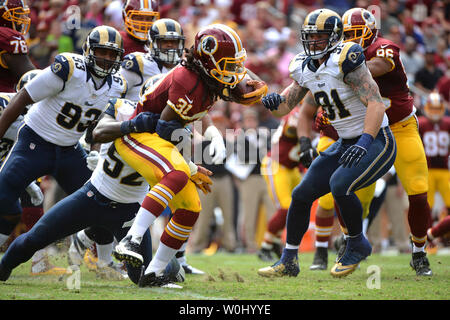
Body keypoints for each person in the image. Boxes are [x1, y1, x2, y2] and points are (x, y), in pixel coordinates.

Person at [91, 23, 267, 287]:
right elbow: (165, 129)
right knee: (177, 173)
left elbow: (211, 98)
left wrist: (218, 128)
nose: (233, 71)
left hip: (163, 139)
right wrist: (190, 165)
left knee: (190, 208)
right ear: (209, 60)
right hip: (141, 136)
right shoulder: (188, 80)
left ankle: (154, 273)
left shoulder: (206, 76)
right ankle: (132, 239)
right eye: (228, 65)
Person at [257, 8, 396, 278]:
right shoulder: (304, 66)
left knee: (339, 184)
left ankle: (357, 243)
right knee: (300, 194)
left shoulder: (347, 59)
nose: (313, 42)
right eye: (310, 36)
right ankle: (288, 260)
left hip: (377, 139)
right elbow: (285, 108)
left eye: (319, 36)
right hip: (344, 141)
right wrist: (272, 102)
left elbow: (376, 104)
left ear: (334, 37)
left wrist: (365, 141)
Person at [0, 97, 185, 285]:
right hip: (91, 198)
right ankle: (3, 267)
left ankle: (170, 268)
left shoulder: (171, 131)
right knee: (35, 238)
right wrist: (133, 126)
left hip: (129, 211)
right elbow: (99, 132)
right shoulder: (122, 108)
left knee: (142, 276)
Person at [0, 25, 127, 273]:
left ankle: (105, 262)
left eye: (113, 55)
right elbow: (23, 97)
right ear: (89, 50)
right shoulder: (69, 69)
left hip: (70, 149)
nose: (107, 58)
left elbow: (98, 123)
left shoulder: (116, 85)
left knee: (101, 201)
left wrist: (93, 149)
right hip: (35, 142)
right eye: (102, 52)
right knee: (4, 194)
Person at [342, 7, 434, 276]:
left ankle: (418, 251)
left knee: (418, 192)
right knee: (360, 195)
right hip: (371, 131)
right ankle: (351, 243)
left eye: (354, 35)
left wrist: (341, 68)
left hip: (402, 126)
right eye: (345, 36)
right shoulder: (343, 54)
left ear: (369, 32)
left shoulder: (384, 47)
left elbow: (377, 67)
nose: (348, 41)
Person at [258, 106, 302, 261]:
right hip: (277, 164)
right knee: (285, 207)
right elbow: (292, 128)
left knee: (298, 206)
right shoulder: (298, 112)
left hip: (292, 167)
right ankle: (265, 247)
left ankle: (275, 241)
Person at [418, 93, 450, 221]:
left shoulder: (447, 123)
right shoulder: (421, 123)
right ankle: (427, 236)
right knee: (427, 205)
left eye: (437, 109)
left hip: (445, 171)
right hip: (427, 170)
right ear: (426, 108)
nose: (435, 112)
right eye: (432, 108)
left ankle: (445, 235)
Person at [0, 0, 36, 93]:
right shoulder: (8, 37)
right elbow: (31, 77)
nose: (22, 18)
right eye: (18, 14)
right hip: (4, 99)